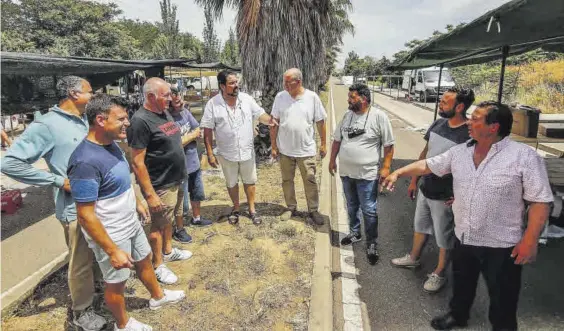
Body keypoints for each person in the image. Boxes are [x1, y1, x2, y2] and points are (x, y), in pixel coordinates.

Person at [382, 102, 553, 331]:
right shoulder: (460, 152)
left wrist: (530, 241)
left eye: (476, 119)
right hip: (464, 238)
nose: (469, 122)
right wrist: (399, 172)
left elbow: (540, 202)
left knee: (503, 300)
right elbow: (429, 165)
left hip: (502, 247)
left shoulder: (524, 157)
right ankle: (457, 316)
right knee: (462, 285)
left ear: (494, 127)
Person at [68, 94, 185, 331]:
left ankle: (158, 297)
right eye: (121, 118)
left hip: (129, 222)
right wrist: (112, 250)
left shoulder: (111, 145)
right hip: (112, 233)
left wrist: (137, 201)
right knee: (116, 283)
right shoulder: (84, 161)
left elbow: (122, 179)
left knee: (144, 261)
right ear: (100, 120)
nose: (128, 123)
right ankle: (124, 324)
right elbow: (85, 215)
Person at [0, 76, 106, 330]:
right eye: (90, 91)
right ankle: (81, 313)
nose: (94, 95)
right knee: (80, 261)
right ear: (73, 94)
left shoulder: (84, 119)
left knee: (99, 254)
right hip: (74, 207)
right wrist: (58, 180)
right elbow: (9, 163)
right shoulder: (47, 125)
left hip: (100, 202)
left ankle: (99, 295)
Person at [391, 87, 474, 293]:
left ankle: (440, 273)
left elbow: (473, 168)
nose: (440, 104)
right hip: (426, 187)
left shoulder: (469, 134)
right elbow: (425, 153)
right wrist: (413, 180)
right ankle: (413, 258)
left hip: (446, 195)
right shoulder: (438, 123)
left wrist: (461, 195)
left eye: (445, 102)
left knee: (444, 236)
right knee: (420, 225)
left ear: (460, 106)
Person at [126, 77, 191, 285]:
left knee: (168, 221)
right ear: (151, 96)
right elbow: (137, 162)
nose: (170, 99)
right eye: (165, 95)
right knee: (157, 226)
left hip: (176, 179)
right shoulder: (140, 121)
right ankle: (158, 264)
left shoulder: (163, 113)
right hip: (160, 184)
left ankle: (169, 250)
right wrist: (150, 194)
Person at [328, 83, 395, 265]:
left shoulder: (379, 117)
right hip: (347, 172)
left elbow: (388, 145)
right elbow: (336, 140)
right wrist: (332, 160)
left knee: (369, 209)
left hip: (367, 174)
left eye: (352, 97)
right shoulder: (347, 116)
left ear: (364, 99)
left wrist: (386, 168)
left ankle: (372, 243)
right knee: (351, 205)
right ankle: (355, 232)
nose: (348, 100)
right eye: (349, 97)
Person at [201, 70, 277, 225]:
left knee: (250, 181)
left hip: (247, 151)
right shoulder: (213, 104)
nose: (236, 85)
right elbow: (207, 130)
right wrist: (210, 153)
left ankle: (252, 209)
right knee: (231, 183)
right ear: (222, 86)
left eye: (237, 82)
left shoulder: (246, 99)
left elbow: (260, 114)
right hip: (226, 153)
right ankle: (235, 208)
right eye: (232, 83)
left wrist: (270, 121)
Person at [270, 68, 327, 225]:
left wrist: (323, 144)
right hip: (285, 150)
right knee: (287, 180)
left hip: (306, 150)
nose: (286, 85)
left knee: (310, 179)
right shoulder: (280, 97)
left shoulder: (312, 98)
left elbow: (321, 121)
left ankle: (313, 210)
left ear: (299, 81)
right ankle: (291, 207)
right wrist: (274, 146)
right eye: (284, 82)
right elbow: (273, 123)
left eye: (289, 82)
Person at [170, 87, 212, 243]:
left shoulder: (185, 112)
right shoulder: (167, 119)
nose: (180, 102)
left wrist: (190, 136)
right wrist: (192, 136)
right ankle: (178, 228)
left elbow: (197, 129)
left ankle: (197, 218)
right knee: (181, 203)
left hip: (193, 161)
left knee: (197, 192)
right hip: (179, 166)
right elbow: (174, 144)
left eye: (180, 99)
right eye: (176, 101)